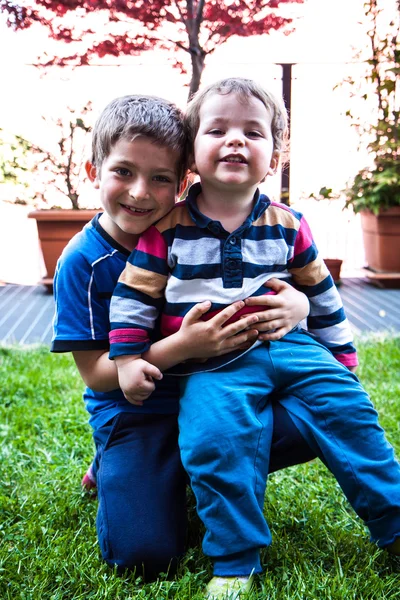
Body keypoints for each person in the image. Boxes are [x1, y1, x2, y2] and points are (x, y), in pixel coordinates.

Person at [109, 78, 400, 599]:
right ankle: (235, 560)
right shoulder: (167, 229)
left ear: (276, 154)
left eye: (253, 132)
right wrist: (129, 358)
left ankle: (394, 525)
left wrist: (342, 358)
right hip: (215, 363)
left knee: (354, 419)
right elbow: (133, 297)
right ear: (191, 155)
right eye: (217, 129)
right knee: (215, 441)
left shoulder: (289, 224)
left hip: (296, 350)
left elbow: (321, 291)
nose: (236, 141)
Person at [51, 93, 315, 582]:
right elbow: (99, 375)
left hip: (214, 395)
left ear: (185, 180)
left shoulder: (206, 227)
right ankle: (123, 465)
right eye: (123, 172)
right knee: (144, 556)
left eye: (160, 178)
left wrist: (299, 304)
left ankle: (194, 462)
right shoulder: (84, 263)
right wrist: (184, 347)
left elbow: (284, 276)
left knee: (317, 418)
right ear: (94, 171)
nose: (140, 193)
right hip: (138, 412)